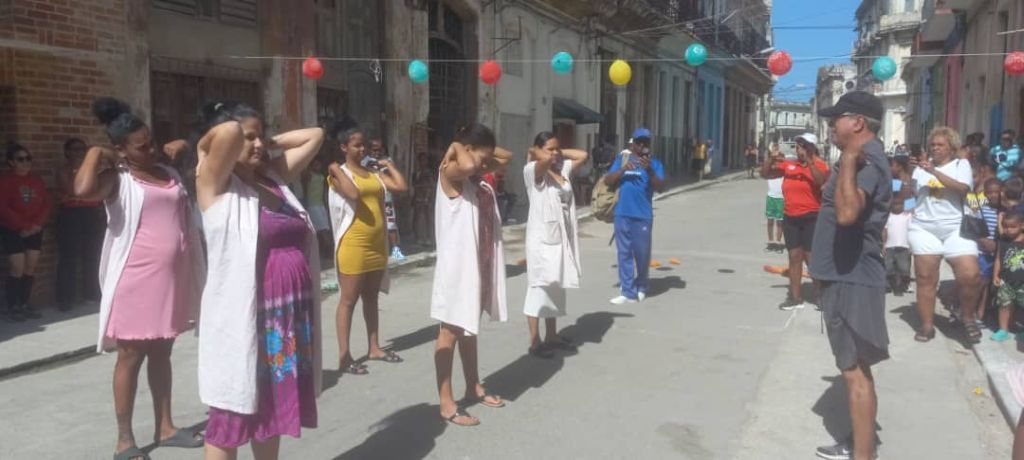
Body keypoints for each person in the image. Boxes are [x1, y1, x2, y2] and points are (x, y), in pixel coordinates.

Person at [75, 97, 205, 460]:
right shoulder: (117, 180)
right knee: (130, 357)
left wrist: (180, 144)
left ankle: (166, 427)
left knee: (163, 353)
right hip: (135, 283)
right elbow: (82, 189)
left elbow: (196, 149)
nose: (151, 149)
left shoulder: (168, 171)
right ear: (121, 150)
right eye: (141, 146)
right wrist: (96, 152)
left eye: (152, 142)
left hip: (171, 281)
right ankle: (124, 440)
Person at [194, 102, 324, 459]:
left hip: (285, 320)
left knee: (272, 410)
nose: (257, 144)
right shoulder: (215, 184)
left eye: (260, 136)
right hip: (246, 320)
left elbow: (315, 135)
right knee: (231, 416)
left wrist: (266, 143)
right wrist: (208, 144)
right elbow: (228, 132)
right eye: (248, 138)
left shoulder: (273, 178)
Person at [811, 91, 893, 460]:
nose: (831, 126)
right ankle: (861, 444)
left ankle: (863, 455)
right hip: (844, 275)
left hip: (852, 277)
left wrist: (846, 160)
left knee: (854, 371)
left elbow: (847, 214)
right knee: (854, 367)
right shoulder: (862, 159)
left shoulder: (865, 160)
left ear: (858, 122)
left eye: (836, 119)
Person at [430, 123, 512, 426]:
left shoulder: (476, 174)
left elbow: (507, 157)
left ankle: (473, 385)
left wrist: (478, 151)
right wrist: (456, 145)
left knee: (469, 328)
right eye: (482, 156)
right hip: (457, 268)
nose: (486, 163)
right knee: (449, 332)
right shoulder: (451, 171)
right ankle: (446, 401)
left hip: (479, 264)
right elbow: (466, 164)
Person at [327, 125, 409, 375]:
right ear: (344, 147)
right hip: (354, 245)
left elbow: (400, 186)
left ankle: (374, 347)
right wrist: (334, 168)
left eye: (363, 144)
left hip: (376, 245)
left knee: (371, 298)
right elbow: (352, 193)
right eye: (356, 145)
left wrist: (388, 164)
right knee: (348, 300)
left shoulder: (373, 173)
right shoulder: (337, 174)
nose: (362, 149)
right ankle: (344, 356)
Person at [909, 126, 983, 343]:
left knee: (970, 275)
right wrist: (908, 172)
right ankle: (927, 325)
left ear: (951, 147)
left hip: (956, 228)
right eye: (933, 144)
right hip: (924, 227)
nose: (935, 148)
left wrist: (933, 171)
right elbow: (912, 195)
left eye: (940, 145)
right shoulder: (921, 168)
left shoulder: (961, 164)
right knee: (925, 278)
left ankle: (967, 317)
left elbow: (963, 188)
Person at [522, 132, 588, 358]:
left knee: (556, 287)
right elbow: (542, 162)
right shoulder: (532, 171)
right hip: (542, 241)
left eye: (556, 149)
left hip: (561, 239)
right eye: (549, 149)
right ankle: (535, 341)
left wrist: (558, 152)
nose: (554, 153)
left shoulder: (562, 168)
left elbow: (583, 155)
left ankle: (552, 335)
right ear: (537, 150)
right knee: (539, 289)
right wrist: (538, 154)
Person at [761, 133, 829, 310]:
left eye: (803, 147)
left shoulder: (820, 165)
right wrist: (771, 159)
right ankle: (795, 297)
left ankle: (820, 295)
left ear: (812, 148)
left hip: (811, 217)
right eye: (798, 147)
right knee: (794, 257)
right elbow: (765, 174)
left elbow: (820, 181)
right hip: (790, 217)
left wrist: (810, 162)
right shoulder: (790, 165)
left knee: (811, 258)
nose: (799, 150)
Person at [604, 128, 665, 305]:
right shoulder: (622, 160)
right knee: (624, 253)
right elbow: (608, 180)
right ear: (633, 144)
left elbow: (660, 187)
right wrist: (623, 170)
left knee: (642, 254)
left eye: (645, 142)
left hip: (643, 215)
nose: (642, 145)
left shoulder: (655, 164)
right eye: (639, 142)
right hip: (622, 213)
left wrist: (650, 171)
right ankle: (627, 291)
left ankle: (642, 286)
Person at [0, 142, 51, 321]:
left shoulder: (36, 180)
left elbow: (45, 203)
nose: (25, 162)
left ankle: (24, 303)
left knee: (30, 267)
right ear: (11, 162)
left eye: (28, 158)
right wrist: (23, 225)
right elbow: (3, 207)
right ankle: (12, 306)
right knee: (17, 267)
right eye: (20, 159)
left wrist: (37, 224)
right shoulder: (5, 181)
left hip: (35, 229)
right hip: (13, 229)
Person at [55, 137, 105, 311]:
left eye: (82, 150)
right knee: (68, 257)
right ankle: (65, 298)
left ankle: (92, 293)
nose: (80, 153)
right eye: (75, 149)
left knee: (92, 254)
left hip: (90, 213)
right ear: (67, 152)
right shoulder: (63, 170)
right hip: (71, 214)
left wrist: (82, 195)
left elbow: (96, 190)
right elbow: (73, 190)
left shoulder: (91, 170)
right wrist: (76, 173)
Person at [367, 138, 406, 261]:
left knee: (391, 223)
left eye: (379, 150)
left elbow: (394, 176)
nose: (377, 152)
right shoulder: (364, 161)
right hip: (371, 197)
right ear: (369, 149)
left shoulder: (388, 161)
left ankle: (395, 249)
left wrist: (385, 165)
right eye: (374, 150)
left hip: (386, 196)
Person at [976, 178, 1003, 328]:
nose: (993, 195)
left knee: (993, 285)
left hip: (999, 254)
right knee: (983, 283)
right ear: (985, 194)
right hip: (984, 253)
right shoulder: (982, 210)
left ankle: (985, 312)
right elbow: (975, 229)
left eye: (996, 192)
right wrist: (983, 241)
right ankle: (978, 313)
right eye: (990, 192)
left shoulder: (1004, 211)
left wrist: (997, 245)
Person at [994, 210, 1024, 342]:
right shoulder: (1003, 240)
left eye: (1013, 227)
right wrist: (995, 275)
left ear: (1022, 226)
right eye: (1006, 226)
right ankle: (1003, 330)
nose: (1009, 230)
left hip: (1022, 281)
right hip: (1005, 280)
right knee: (1004, 305)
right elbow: (998, 259)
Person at [299, 152, 334, 264]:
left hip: (320, 205)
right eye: (315, 164)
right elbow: (305, 187)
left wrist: (326, 204)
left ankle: (326, 251)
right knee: (321, 230)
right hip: (312, 205)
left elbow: (324, 191)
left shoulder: (322, 176)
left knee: (325, 229)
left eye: (319, 164)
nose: (317, 166)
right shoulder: (309, 175)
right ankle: (328, 251)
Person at [883, 198, 912, 296]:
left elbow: (911, 230)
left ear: (903, 205)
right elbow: (884, 231)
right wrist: (883, 244)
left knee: (903, 269)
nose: (897, 206)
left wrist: (911, 245)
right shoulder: (888, 217)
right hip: (889, 246)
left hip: (904, 246)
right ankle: (889, 286)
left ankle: (899, 287)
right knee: (888, 268)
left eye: (900, 204)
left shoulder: (907, 216)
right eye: (895, 204)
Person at [412, 152, 436, 246]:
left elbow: (431, 185)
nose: (422, 162)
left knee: (428, 218)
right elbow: (414, 185)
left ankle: (429, 238)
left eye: (424, 160)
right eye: (421, 160)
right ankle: (418, 238)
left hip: (428, 198)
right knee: (417, 218)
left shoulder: (429, 173)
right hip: (418, 198)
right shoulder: (416, 173)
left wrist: (427, 195)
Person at [765, 173, 785, 253]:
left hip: (781, 198)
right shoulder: (770, 171)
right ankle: (771, 242)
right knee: (770, 221)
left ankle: (778, 242)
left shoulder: (783, 171)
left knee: (780, 222)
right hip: (771, 197)